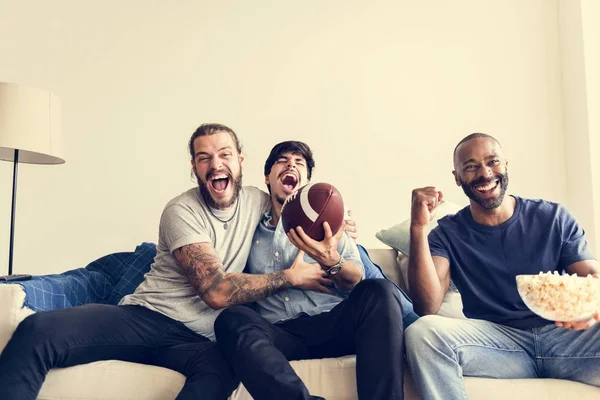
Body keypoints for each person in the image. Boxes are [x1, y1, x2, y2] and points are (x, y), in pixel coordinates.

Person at [0, 124, 341, 400]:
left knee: (219, 375)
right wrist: (290, 277)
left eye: (224, 154)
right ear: (194, 167)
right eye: (204, 158)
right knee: (37, 329)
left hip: (201, 343)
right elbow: (216, 291)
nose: (216, 164)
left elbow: (295, 205)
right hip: (149, 318)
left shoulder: (259, 201)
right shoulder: (181, 210)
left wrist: (342, 219)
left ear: (240, 160)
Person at [405, 132, 600, 400]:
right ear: (457, 177)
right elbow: (427, 306)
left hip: (566, 340)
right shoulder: (447, 234)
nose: (485, 174)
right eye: (471, 167)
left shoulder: (552, 217)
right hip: (498, 345)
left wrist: (592, 306)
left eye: (492, 161)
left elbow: (591, 274)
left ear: (506, 165)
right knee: (422, 332)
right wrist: (417, 227)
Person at [215, 141, 410, 400]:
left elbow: (355, 279)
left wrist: (331, 260)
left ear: (306, 182)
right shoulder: (248, 228)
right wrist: (289, 278)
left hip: (333, 323)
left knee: (380, 290)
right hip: (282, 334)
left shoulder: (331, 222)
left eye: (299, 163)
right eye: (282, 161)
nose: (291, 165)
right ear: (267, 178)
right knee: (231, 319)